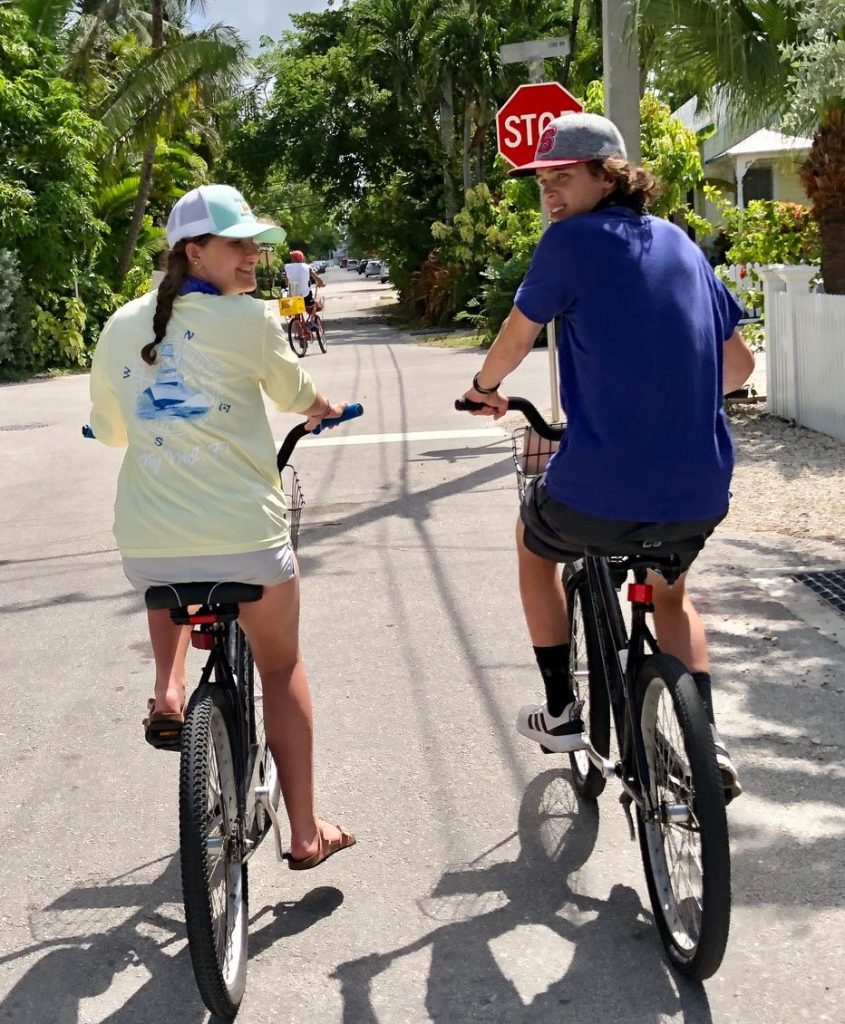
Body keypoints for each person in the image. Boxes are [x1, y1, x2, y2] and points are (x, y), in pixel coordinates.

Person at [462, 114, 754, 800]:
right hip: (699, 492)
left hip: (595, 492)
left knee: (534, 547)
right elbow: (736, 366)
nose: (549, 194)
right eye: (541, 182)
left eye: (563, 177)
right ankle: (704, 743)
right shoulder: (681, 244)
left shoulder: (567, 244)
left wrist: (484, 389)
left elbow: (516, 331)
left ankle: (562, 711)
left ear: (609, 175)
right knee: (672, 596)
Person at [89, 183, 356, 868]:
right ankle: (304, 832)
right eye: (237, 244)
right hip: (246, 540)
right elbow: (298, 394)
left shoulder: (120, 325)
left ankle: (169, 688)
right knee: (282, 662)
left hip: (147, 548)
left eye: (255, 244)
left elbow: (112, 432)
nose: (252, 256)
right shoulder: (253, 320)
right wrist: (323, 407)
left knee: (169, 576)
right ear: (193, 251)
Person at [284, 249, 324, 318]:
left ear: (293, 258)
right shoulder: (307, 267)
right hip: (305, 295)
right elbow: (316, 278)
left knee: (292, 298)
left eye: (292, 257)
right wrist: (321, 283)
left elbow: (286, 282)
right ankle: (312, 319)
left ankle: (294, 319)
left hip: (293, 295)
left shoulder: (287, 267)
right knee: (313, 306)